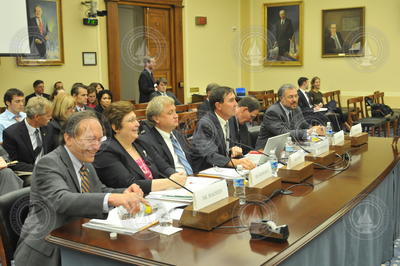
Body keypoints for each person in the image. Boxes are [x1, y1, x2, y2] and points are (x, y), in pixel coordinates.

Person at [14, 111, 146, 266]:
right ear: (69, 138)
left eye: (100, 140)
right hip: (48, 249)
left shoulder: (86, 162)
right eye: (90, 140)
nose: (97, 147)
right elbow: (61, 200)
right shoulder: (48, 163)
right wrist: (113, 198)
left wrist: (123, 192)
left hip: (77, 239)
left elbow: (99, 190)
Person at [93, 101, 187, 194]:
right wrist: (170, 182)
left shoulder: (141, 142)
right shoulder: (106, 151)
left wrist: (176, 175)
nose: (137, 124)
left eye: (136, 119)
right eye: (131, 120)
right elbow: (129, 184)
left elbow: (164, 167)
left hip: (157, 197)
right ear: (116, 127)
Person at [191, 86, 256, 173]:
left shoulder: (231, 119)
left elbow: (232, 144)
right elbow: (210, 155)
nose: (236, 104)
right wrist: (234, 162)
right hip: (207, 172)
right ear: (218, 105)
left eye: (235, 100)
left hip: (226, 169)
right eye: (231, 100)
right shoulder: (206, 124)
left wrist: (234, 149)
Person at [255, 84, 325, 150]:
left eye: (296, 96)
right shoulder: (273, 112)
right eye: (290, 97)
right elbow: (284, 133)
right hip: (266, 151)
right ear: (281, 98)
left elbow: (303, 124)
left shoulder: (296, 108)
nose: (294, 100)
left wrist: (315, 129)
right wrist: (309, 131)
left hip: (287, 146)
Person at [140, 96, 193, 175]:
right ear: (156, 118)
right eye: (170, 113)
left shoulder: (176, 134)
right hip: (174, 181)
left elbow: (191, 158)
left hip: (193, 178)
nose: (176, 116)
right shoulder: (148, 141)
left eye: (175, 111)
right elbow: (162, 170)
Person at [3, 97, 53, 173]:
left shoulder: (49, 128)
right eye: (48, 116)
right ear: (37, 117)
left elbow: (54, 152)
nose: (50, 118)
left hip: (49, 170)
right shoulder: (11, 133)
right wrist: (39, 170)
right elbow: (13, 163)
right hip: (27, 173)